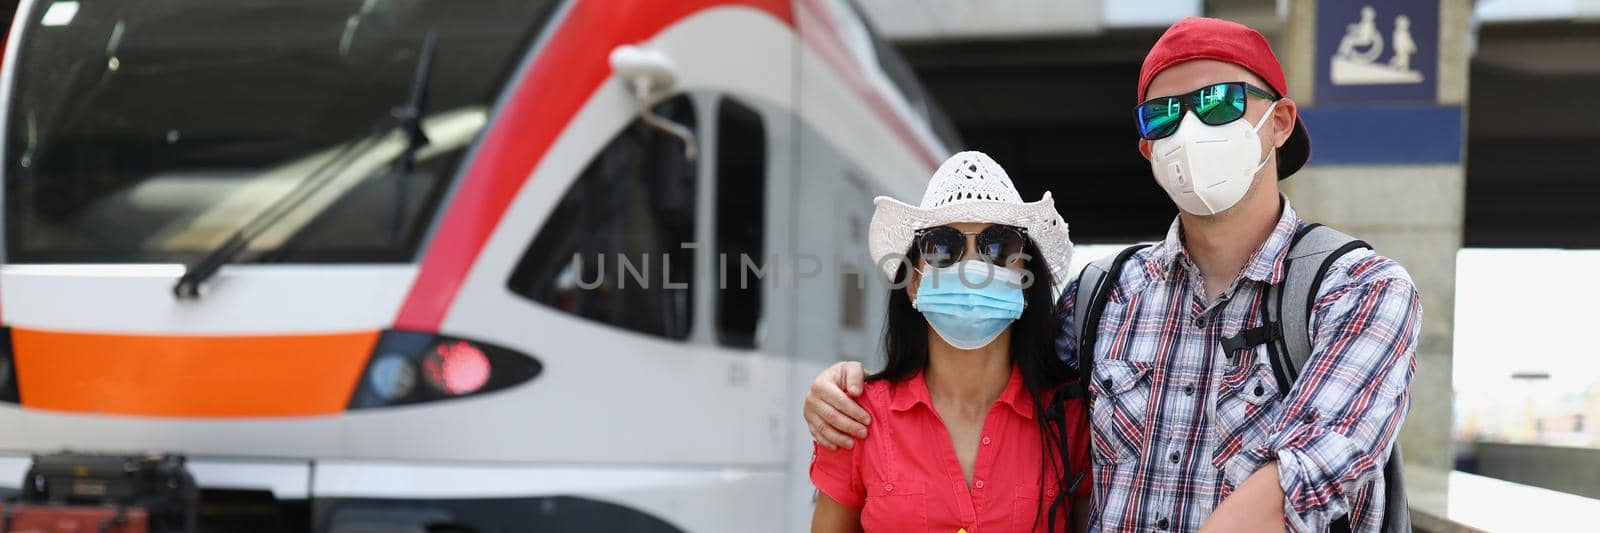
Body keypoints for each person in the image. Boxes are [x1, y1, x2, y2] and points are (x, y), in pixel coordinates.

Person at [804, 18, 1420, 533]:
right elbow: (992, 381)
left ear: (1280, 122)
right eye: (1162, 117)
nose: (1189, 130)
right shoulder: (1101, 297)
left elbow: (1305, 475)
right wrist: (843, 390)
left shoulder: (1360, 293)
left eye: (1219, 102)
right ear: (1148, 148)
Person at [810, 151, 1091, 533]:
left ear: (1027, 279)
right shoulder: (856, 418)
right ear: (913, 283)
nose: (973, 268)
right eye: (942, 247)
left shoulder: (1071, 419)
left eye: (1000, 246)